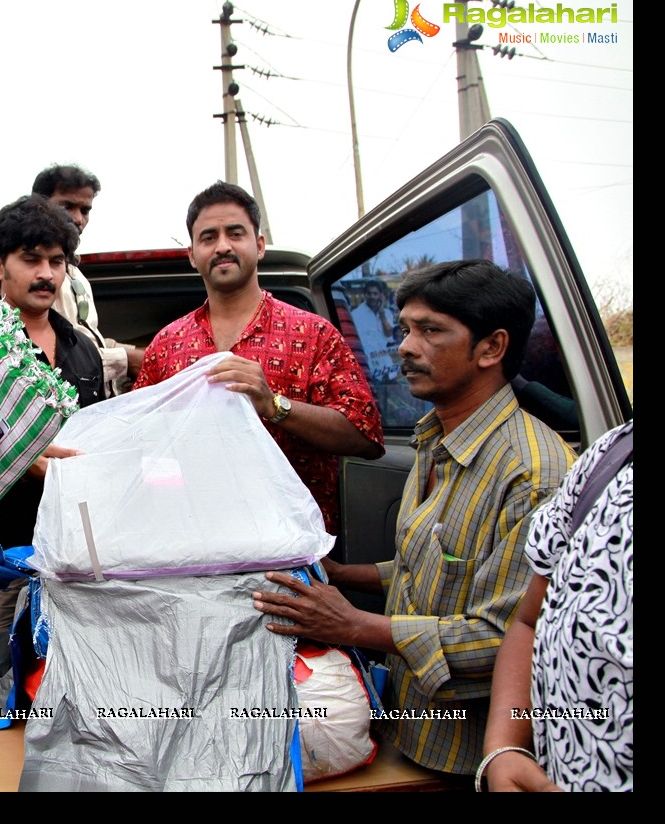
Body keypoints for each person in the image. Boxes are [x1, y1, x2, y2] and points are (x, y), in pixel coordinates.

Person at [253, 259, 578, 777]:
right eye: (405, 329)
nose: (405, 346)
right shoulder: (436, 438)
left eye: (430, 331)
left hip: (470, 758)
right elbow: (419, 572)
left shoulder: (534, 477)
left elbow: (508, 637)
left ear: (491, 348)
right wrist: (337, 576)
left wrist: (356, 625)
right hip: (407, 726)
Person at [134, 181, 383, 534]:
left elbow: (366, 437)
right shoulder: (166, 344)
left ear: (259, 245)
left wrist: (274, 405)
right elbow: (141, 444)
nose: (222, 246)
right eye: (208, 237)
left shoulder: (314, 334)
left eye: (235, 233)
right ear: (192, 255)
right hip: (190, 545)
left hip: (291, 552)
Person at [0, 195, 106, 642]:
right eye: (31, 259)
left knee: (71, 683)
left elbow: (97, 441)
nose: (46, 274)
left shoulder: (83, 349)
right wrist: (22, 459)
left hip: (72, 555)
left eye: (57, 261)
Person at [482, 420, 632, 792]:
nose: (404, 355)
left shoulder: (534, 466)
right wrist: (504, 748)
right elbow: (531, 621)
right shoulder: (610, 456)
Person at [31, 164, 145, 388]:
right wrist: (126, 360)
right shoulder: (30, 274)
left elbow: (88, 341)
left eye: (85, 210)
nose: (77, 219)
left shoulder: (75, 273)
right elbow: (44, 353)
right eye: (67, 206)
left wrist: (147, 353)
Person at [351, 278, 399, 380]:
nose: (372, 296)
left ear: (380, 295)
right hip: (368, 366)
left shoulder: (386, 313)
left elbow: (389, 334)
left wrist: (381, 312)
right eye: (369, 293)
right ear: (365, 295)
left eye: (375, 293)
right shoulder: (356, 315)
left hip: (386, 364)